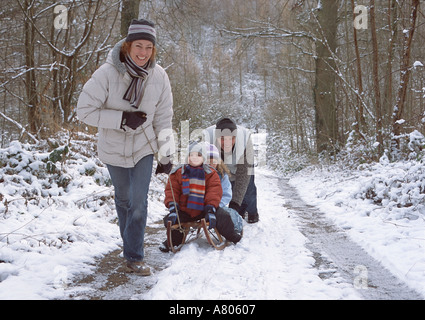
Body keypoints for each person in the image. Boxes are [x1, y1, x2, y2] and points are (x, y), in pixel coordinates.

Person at [77, 19, 174, 275]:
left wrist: (166, 154)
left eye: (148, 47)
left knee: (138, 203)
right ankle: (130, 245)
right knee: (124, 199)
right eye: (138, 46)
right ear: (128, 46)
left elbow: (164, 118)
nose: (143, 52)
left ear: (154, 50)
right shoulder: (107, 73)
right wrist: (121, 119)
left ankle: (134, 256)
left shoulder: (160, 76)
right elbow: (84, 111)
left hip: (143, 147)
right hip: (113, 148)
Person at [160, 142, 241, 252]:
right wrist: (173, 207)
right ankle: (173, 241)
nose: (194, 158)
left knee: (222, 216)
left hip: (205, 209)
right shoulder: (178, 173)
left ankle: (232, 235)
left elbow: (213, 192)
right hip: (185, 210)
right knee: (171, 221)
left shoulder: (210, 173)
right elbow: (172, 191)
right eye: (191, 155)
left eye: (198, 155)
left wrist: (211, 208)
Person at [204, 118, 259, 223]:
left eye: (231, 139)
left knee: (248, 189)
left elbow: (243, 175)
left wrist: (235, 204)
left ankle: (252, 212)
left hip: (241, 166)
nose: (227, 143)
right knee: (228, 186)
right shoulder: (207, 138)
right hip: (220, 165)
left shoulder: (245, 139)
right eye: (223, 139)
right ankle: (239, 211)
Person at [205, 142, 243, 235]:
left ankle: (232, 230)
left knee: (226, 215)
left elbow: (226, 194)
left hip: (217, 205)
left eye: (213, 161)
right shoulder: (198, 174)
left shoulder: (222, 175)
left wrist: (217, 205)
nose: (211, 164)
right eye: (207, 161)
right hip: (200, 205)